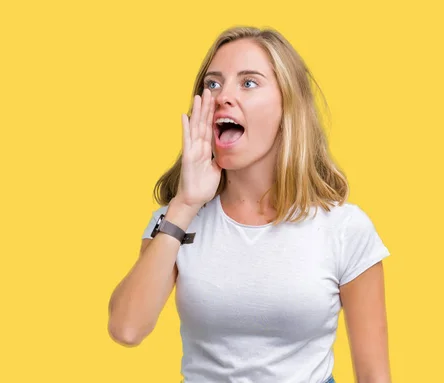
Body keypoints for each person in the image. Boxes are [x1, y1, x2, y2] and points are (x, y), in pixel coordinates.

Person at [107, 26, 391, 383]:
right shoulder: (175, 221)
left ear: (289, 104)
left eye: (248, 83)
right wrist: (185, 203)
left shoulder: (345, 229)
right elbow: (126, 328)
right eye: (212, 84)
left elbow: (374, 376)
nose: (224, 96)